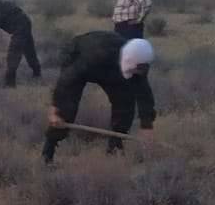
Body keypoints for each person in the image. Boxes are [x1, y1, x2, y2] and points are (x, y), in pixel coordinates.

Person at [43, 33, 156, 164]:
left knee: (125, 103)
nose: (139, 73)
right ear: (129, 61)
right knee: (65, 109)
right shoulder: (95, 56)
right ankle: (47, 154)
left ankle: (114, 149)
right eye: (136, 69)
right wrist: (55, 107)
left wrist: (147, 126)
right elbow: (67, 80)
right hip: (80, 58)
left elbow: (144, 92)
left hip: (112, 70)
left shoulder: (139, 62)